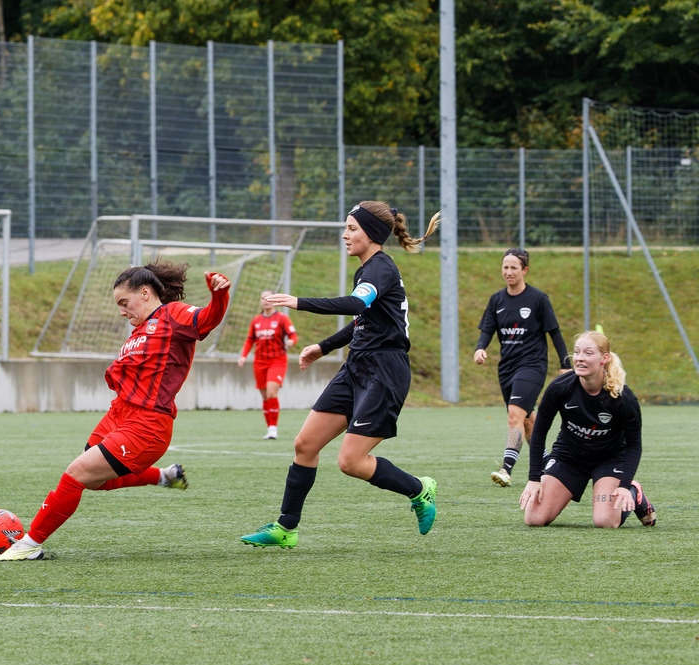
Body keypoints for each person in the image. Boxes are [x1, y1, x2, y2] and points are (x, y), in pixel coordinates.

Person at [0, 261, 230, 561]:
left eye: (124, 302)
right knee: (93, 481)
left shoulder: (172, 315)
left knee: (76, 474)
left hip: (147, 424)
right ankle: (163, 477)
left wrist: (219, 295)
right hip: (118, 415)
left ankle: (29, 545)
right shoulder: (139, 330)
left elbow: (207, 319)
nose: (122, 311)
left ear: (146, 293)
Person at [240, 201, 440, 550]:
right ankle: (286, 528)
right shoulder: (366, 269)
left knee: (350, 461)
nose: (344, 235)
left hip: (385, 371)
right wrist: (324, 347)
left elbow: (355, 305)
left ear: (371, 234)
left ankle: (419, 490)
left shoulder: (380, 269)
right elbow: (364, 320)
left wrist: (300, 302)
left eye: (351, 228)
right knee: (305, 444)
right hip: (357, 367)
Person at [520, 330, 656, 528]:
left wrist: (625, 485)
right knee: (534, 519)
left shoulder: (623, 398)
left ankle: (635, 493)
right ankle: (562, 492)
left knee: (605, 521)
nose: (580, 359)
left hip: (609, 460)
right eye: (576, 352)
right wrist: (534, 478)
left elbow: (634, 446)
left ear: (604, 358)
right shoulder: (559, 387)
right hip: (569, 457)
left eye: (588, 353)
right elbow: (539, 431)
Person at [474, 247, 571, 488]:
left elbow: (554, 333)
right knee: (526, 420)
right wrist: (480, 348)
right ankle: (549, 462)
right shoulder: (497, 300)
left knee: (514, 415)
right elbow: (488, 329)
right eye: (505, 267)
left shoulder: (538, 299)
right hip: (506, 368)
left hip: (532, 366)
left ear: (524, 270)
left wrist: (565, 364)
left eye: (513, 268)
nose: (508, 272)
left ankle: (506, 469)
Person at [238, 289, 298, 439]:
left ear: (274, 300)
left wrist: (291, 341)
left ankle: (273, 429)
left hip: (277, 360)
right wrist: (243, 356)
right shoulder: (256, 320)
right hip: (259, 361)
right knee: (265, 396)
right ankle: (269, 428)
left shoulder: (282, 318)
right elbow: (250, 340)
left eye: (268, 298)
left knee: (272, 392)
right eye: (263, 298)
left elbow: (293, 335)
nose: (265, 300)